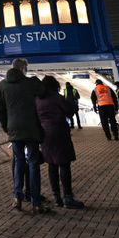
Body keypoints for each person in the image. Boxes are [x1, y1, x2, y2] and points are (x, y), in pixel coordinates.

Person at [0, 58, 50, 214]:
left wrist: (6, 127)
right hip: (31, 128)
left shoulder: (3, 85)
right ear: (23, 68)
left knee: (18, 162)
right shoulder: (30, 82)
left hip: (14, 128)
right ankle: (36, 201)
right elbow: (43, 91)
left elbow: (1, 109)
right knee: (33, 163)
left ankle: (17, 198)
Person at [36, 76, 85, 209]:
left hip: (44, 134)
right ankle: (68, 197)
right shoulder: (56, 97)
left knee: (51, 164)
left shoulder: (37, 99)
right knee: (64, 164)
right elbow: (70, 111)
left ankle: (56, 197)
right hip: (59, 132)